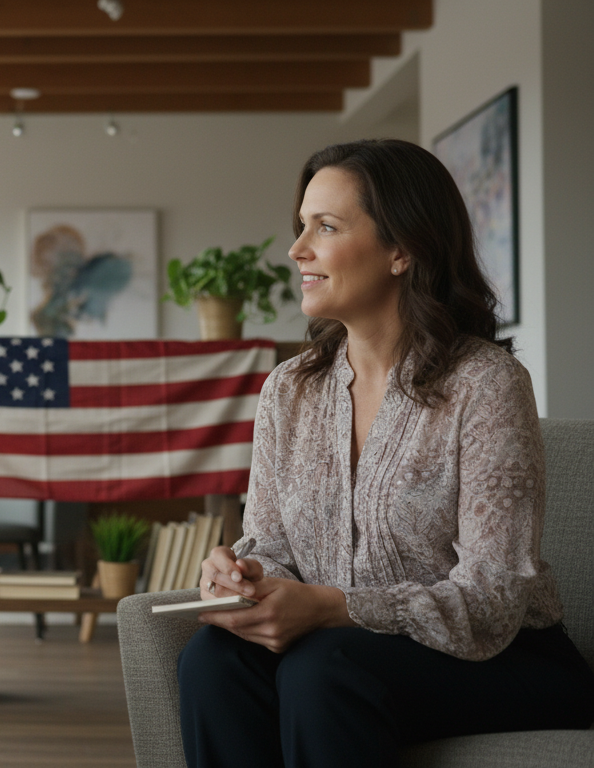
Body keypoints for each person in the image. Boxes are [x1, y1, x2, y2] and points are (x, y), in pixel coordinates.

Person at [176, 138, 594, 768]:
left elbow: (494, 596)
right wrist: (242, 577)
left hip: (507, 659)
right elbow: (270, 544)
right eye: (301, 227)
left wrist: (334, 608)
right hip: (340, 651)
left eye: (326, 227)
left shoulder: (485, 384)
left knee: (324, 668)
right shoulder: (289, 389)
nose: (297, 250)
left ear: (403, 249)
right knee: (213, 661)